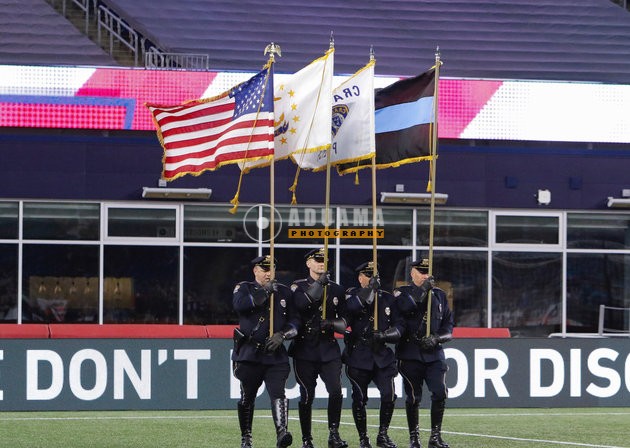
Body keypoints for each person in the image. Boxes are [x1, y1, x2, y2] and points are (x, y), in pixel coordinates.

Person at [232, 255, 298, 448]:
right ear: (255, 271)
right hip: (250, 354)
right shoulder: (244, 288)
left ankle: (282, 433)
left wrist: (282, 335)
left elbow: (295, 321)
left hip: (275, 355)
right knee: (247, 397)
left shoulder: (284, 292)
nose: (269, 273)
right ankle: (246, 437)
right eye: (264, 269)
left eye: (271, 269)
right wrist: (264, 292)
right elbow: (240, 305)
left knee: (278, 393)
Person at [290, 248, 348, 448]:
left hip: (328, 348)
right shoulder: (298, 286)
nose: (322, 263)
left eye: (324, 260)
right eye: (317, 259)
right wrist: (318, 285)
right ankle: (307, 438)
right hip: (305, 348)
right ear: (308, 263)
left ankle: (334, 434)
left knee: (336, 391)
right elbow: (300, 305)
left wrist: (332, 323)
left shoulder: (337, 289)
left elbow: (345, 319)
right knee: (307, 395)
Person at [342, 261, 404, 448]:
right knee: (359, 398)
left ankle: (383, 434)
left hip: (381, 354)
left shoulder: (387, 298)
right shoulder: (352, 294)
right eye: (368, 275)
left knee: (389, 394)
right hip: (359, 354)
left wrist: (386, 335)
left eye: (375, 276)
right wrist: (369, 290)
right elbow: (351, 309)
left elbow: (400, 325)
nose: (372, 279)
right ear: (360, 278)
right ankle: (363, 438)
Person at [393, 259, 453, 448]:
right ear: (412, 273)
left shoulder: (440, 295)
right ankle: (414, 437)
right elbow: (405, 308)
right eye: (421, 272)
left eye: (427, 272)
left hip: (433, 354)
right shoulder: (402, 292)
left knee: (440, 392)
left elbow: (448, 327)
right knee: (413, 397)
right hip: (410, 354)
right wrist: (423, 290)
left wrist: (437, 338)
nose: (425, 275)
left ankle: (435, 436)